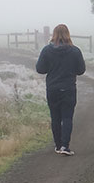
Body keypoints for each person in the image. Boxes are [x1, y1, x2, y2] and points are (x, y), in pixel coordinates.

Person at [36, 24, 86, 155]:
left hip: (52, 89)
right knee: (67, 117)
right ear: (68, 34)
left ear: (54, 35)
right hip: (68, 88)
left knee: (55, 117)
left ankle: (58, 146)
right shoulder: (75, 51)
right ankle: (65, 146)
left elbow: (40, 69)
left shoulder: (47, 50)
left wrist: (51, 67)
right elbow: (81, 70)